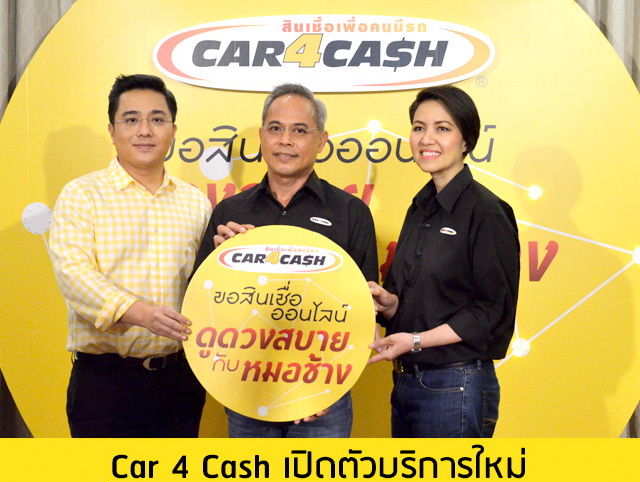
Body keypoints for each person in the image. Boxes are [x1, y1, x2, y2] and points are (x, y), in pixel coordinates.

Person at [192, 83, 378, 438]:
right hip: (246, 392)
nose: (285, 140)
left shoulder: (350, 213)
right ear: (262, 137)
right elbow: (201, 306)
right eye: (276, 128)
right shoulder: (230, 213)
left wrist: (323, 386)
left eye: (300, 130)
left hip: (323, 400)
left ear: (321, 141)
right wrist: (222, 262)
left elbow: (363, 312)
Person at [49, 74, 212, 437]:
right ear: (112, 130)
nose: (145, 131)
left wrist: (234, 250)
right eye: (131, 119)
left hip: (180, 380)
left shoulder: (196, 203)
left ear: (173, 130)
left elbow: (207, 281)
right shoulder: (82, 194)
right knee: (102, 476)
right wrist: (143, 314)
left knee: (174, 477)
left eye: (157, 119)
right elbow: (74, 275)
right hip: (105, 382)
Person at [368, 85, 520, 438]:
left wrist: (415, 340)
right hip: (407, 381)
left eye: (442, 128)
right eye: (418, 127)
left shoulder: (486, 211)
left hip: (456, 384)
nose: (426, 139)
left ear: (466, 140)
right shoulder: (420, 207)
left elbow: (491, 311)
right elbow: (426, 299)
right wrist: (390, 304)